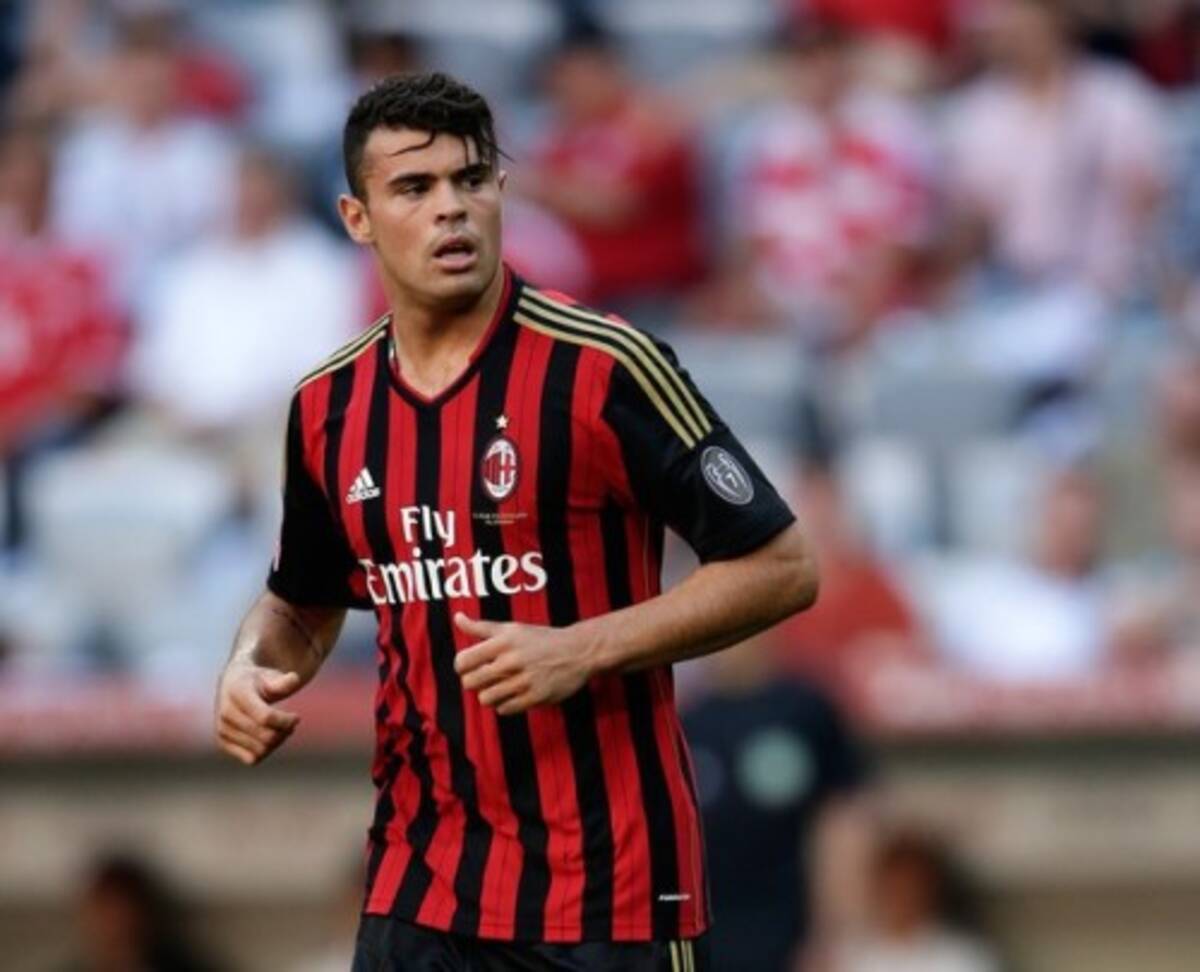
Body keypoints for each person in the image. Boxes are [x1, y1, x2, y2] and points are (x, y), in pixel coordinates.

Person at [213, 72, 819, 972]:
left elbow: (783, 565)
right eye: (414, 188)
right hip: (421, 881)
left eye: (471, 179)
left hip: (607, 892)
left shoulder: (604, 367)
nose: (450, 208)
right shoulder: (327, 406)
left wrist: (583, 647)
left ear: (502, 190)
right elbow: (303, 602)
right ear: (357, 219)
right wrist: (249, 667)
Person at [682, 631, 873, 971]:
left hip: (791, 937)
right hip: (708, 940)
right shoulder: (688, 718)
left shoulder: (806, 710)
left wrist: (833, 934)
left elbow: (843, 826)